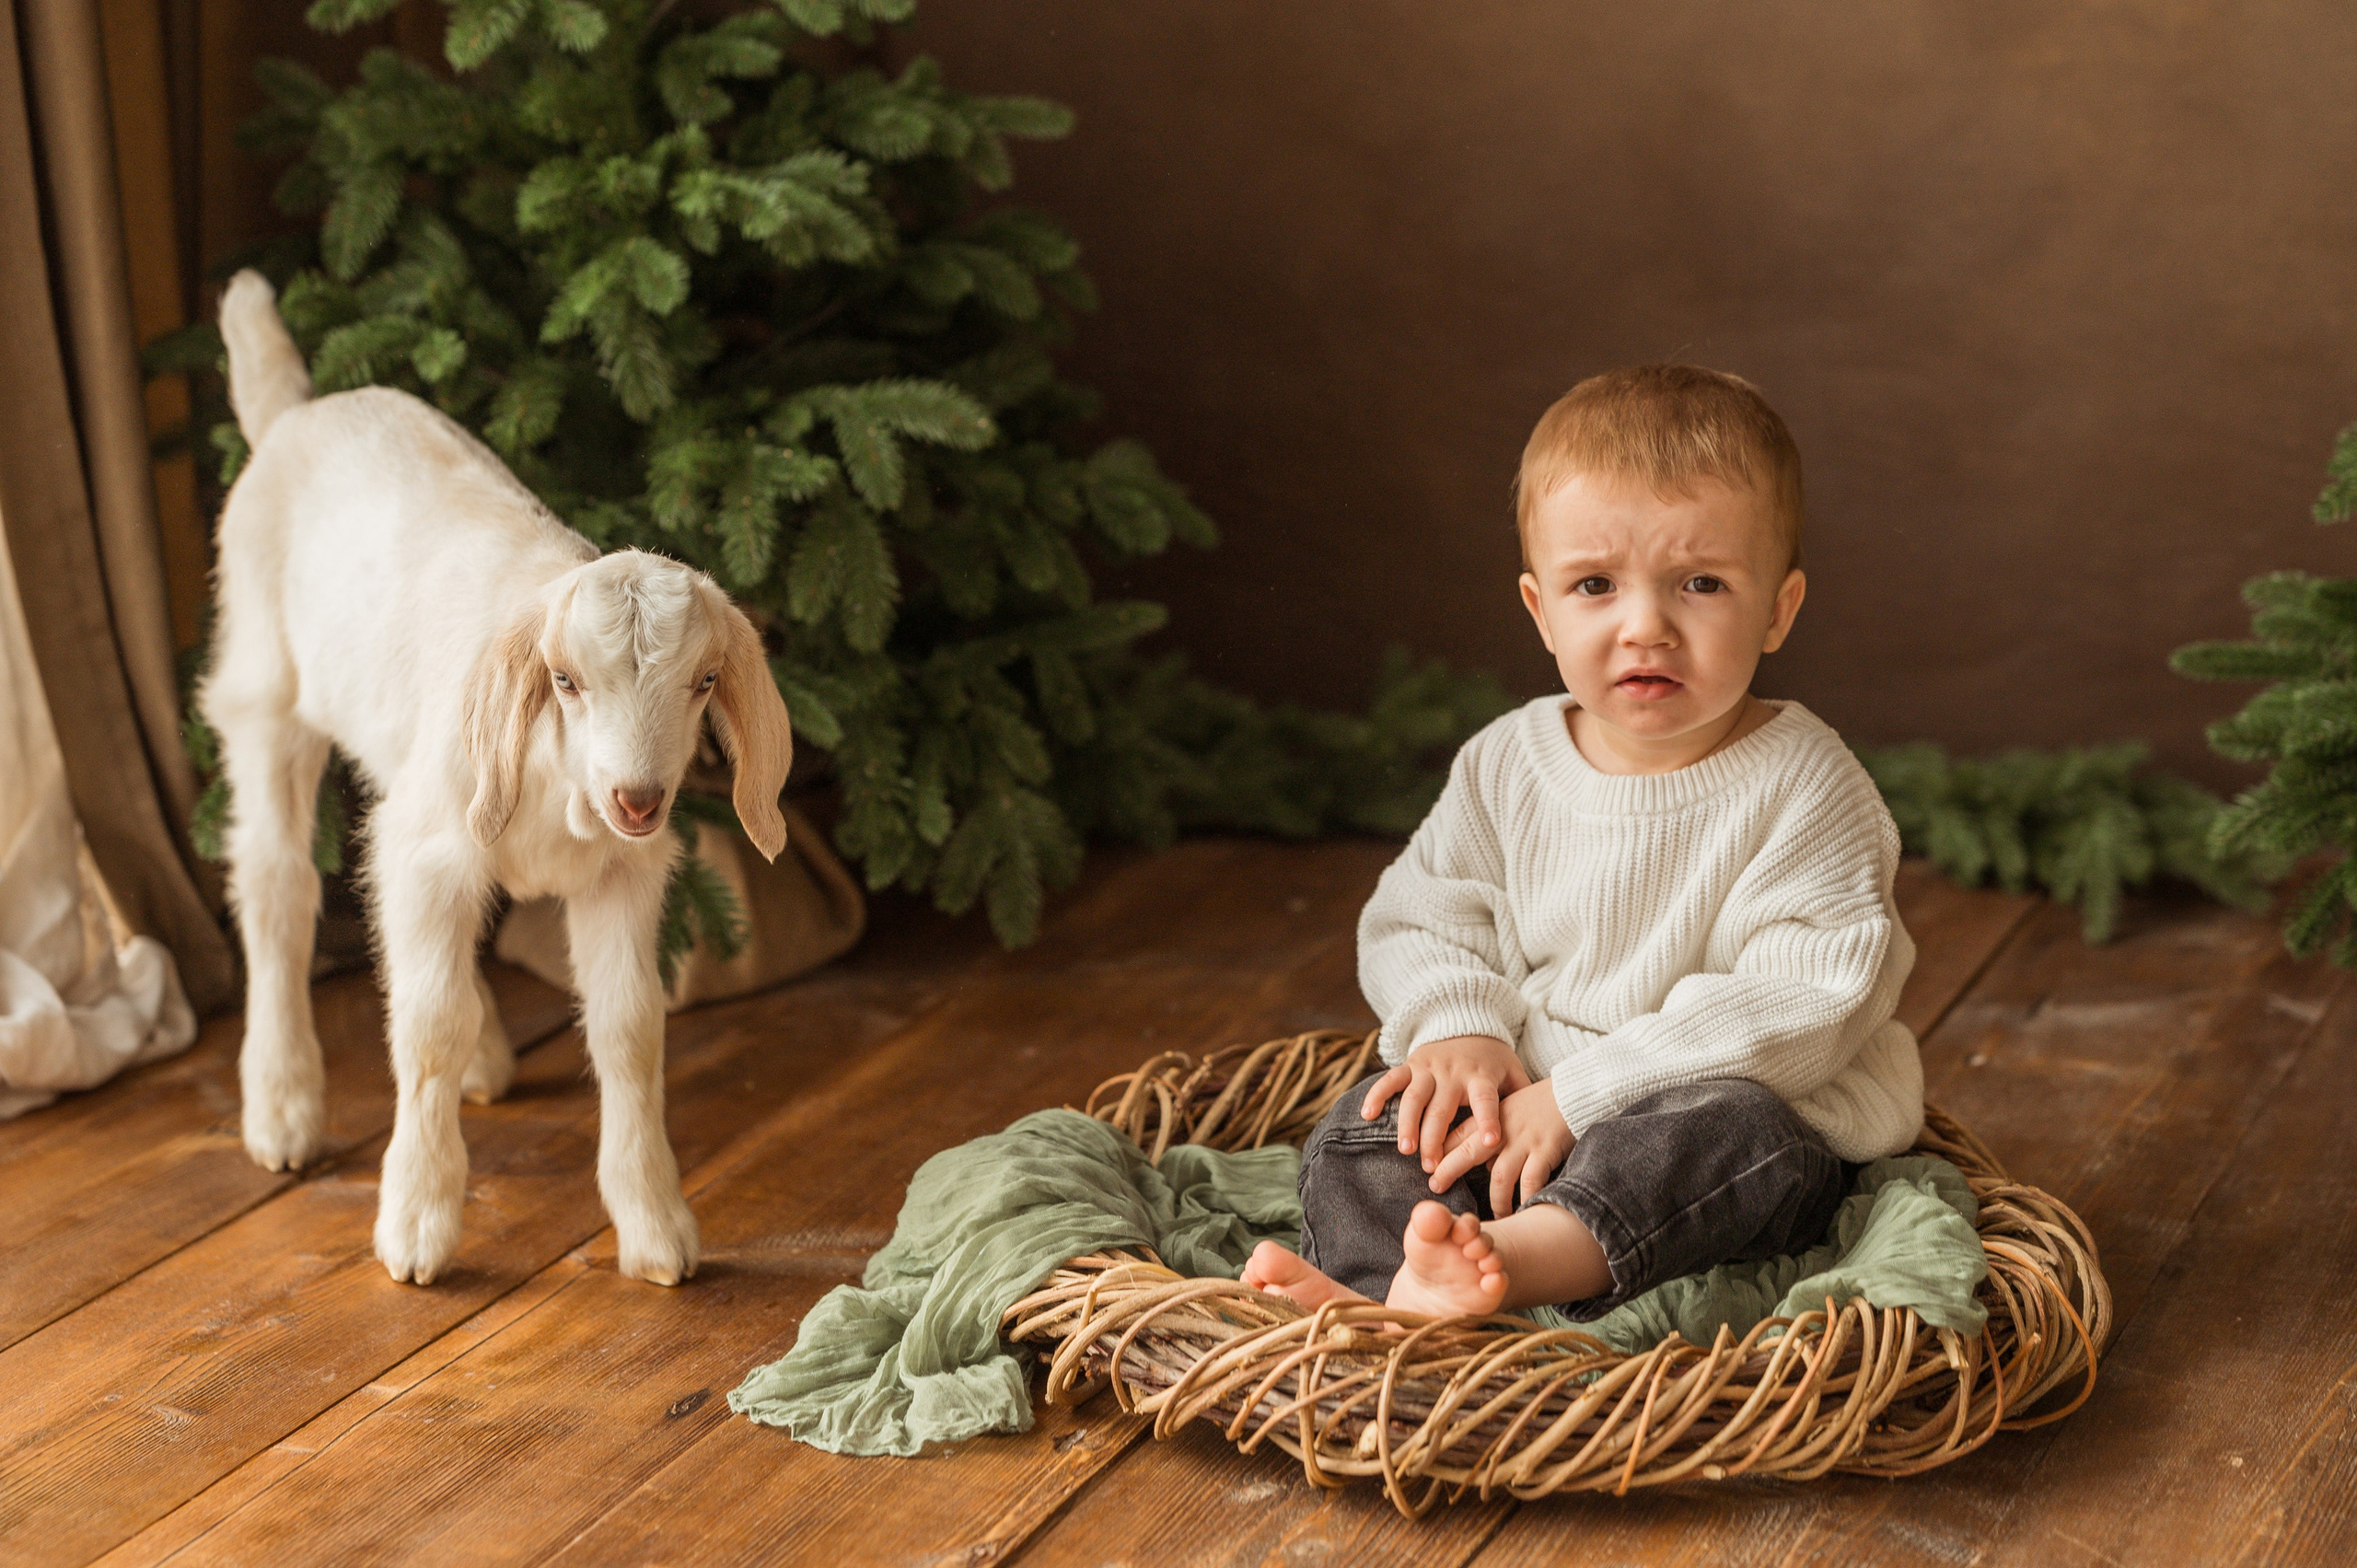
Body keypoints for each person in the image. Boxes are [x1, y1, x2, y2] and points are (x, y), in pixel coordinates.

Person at [1241, 366, 1923, 1318]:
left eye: (1701, 583)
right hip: (1523, 1102)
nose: (1646, 626)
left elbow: (1804, 1005)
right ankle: (1380, 1300)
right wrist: (1462, 1026)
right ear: (1540, 609)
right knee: (1376, 1122)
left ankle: (1511, 1269)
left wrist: (1586, 1093)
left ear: (1778, 607)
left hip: (1703, 1117)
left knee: (1733, 1137)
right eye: (1595, 585)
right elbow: (1420, 914)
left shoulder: (1806, 787)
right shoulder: (1508, 762)